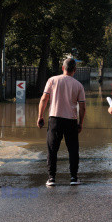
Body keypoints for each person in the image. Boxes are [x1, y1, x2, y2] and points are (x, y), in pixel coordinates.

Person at [37, 58, 86, 186]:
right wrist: (80, 123)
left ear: (63, 68)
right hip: (71, 120)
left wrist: (40, 116)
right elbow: (82, 107)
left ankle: (51, 178)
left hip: (54, 119)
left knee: (52, 149)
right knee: (73, 150)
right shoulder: (78, 85)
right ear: (74, 70)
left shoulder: (52, 80)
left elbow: (44, 99)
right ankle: (74, 178)